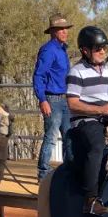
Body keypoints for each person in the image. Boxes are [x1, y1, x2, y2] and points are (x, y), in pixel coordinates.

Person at [66, 25, 108, 216]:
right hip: (84, 121)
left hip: (104, 116)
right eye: (98, 48)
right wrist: (101, 109)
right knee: (97, 146)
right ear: (85, 50)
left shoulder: (105, 71)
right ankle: (90, 200)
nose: (102, 52)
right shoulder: (76, 72)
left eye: (104, 48)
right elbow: (72, 104)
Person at [33, 14, 74, 181]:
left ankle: (69, 171)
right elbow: (38, 75)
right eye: (60, 29)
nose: (64, 32)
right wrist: (42, 99)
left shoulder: (63, 50)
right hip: (52, 99)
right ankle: (43, 174)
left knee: (69, 136)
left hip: (65, 99)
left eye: (65, 29)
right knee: (50, 138)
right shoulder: (49, 50)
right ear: (53, 32)